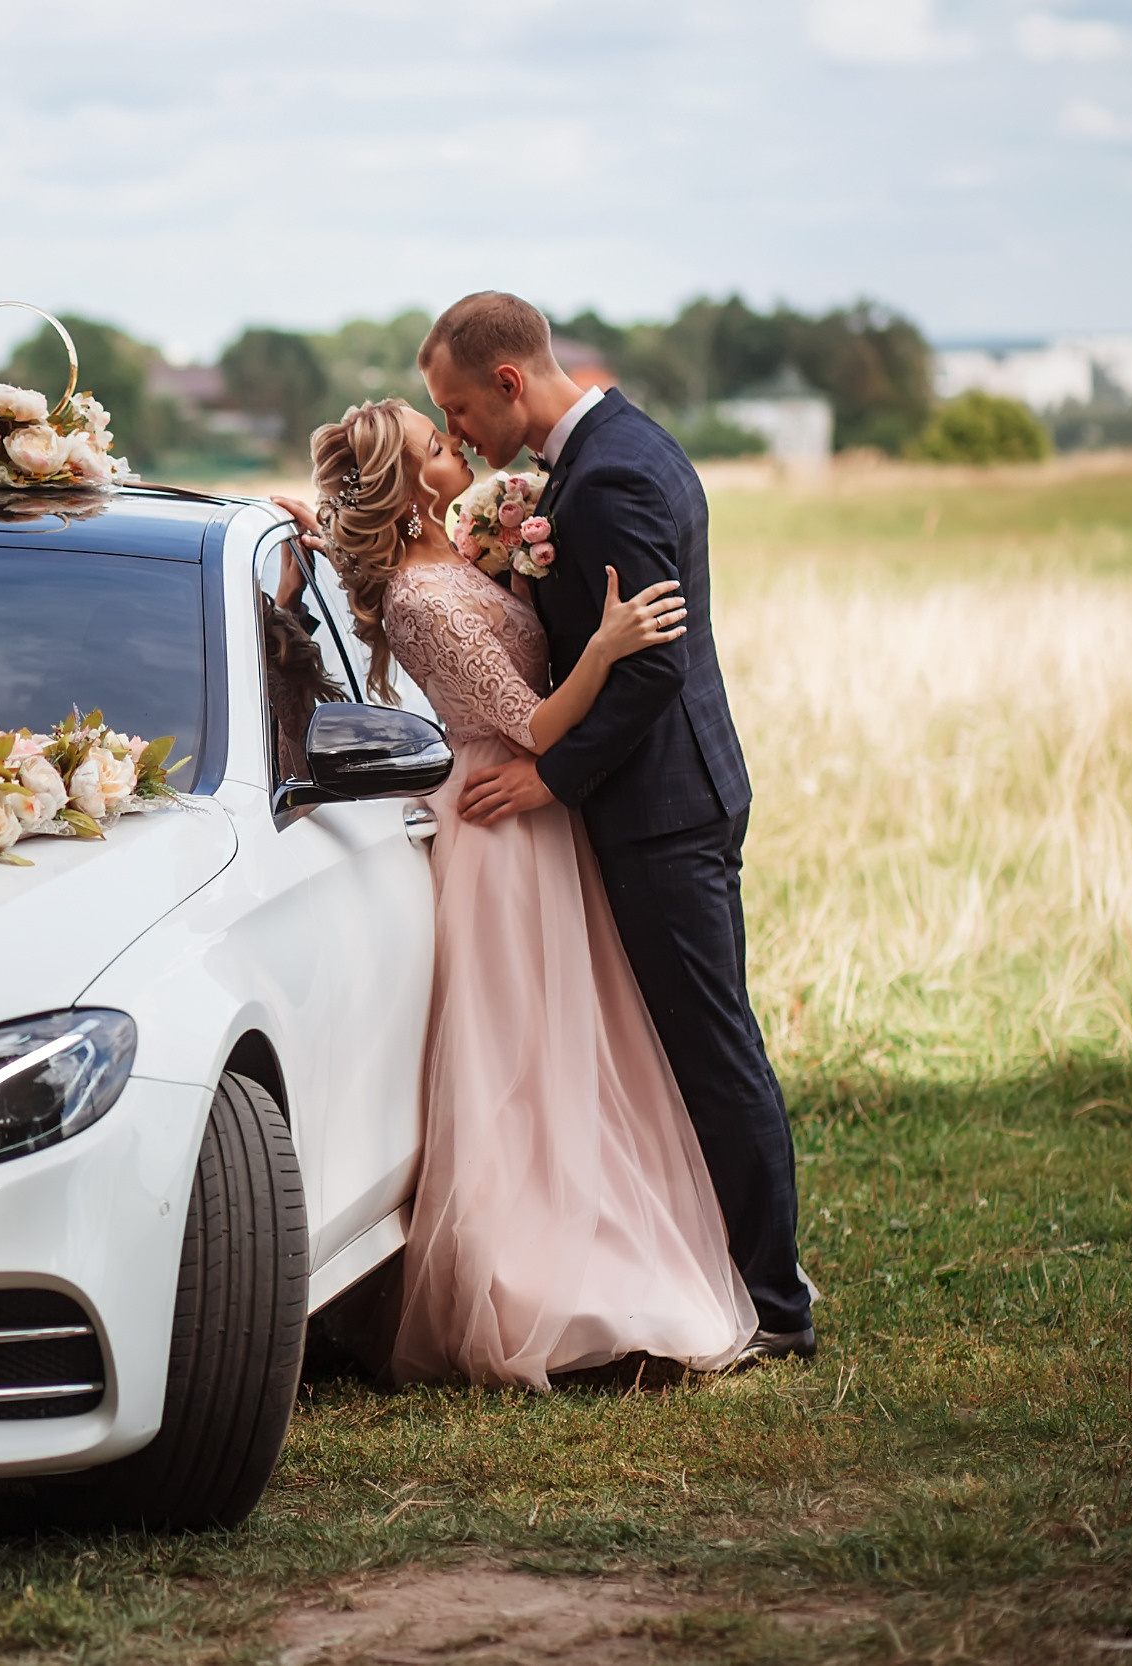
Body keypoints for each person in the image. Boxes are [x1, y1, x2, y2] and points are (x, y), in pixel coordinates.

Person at [276, 397, 756, 1387]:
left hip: (539, 818)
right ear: (412, 487)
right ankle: (526, 1275)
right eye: (433, 442)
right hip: (498, 822)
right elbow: (531, 725)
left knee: (579, 1039)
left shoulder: (454, 554)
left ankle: (606, 1234)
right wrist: (607, 645)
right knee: (520, 1048)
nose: (453, 444)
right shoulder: (417, 598)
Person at [414, 291, 815, 1367]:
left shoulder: (610, 477)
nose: (457, 432)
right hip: (668, 795)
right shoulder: (617, 446)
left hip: (659, 807)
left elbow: (651, 668)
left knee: (711, 1050)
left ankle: (776, 1304)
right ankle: (727, 1267)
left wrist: (550, 779)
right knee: (692, 1045)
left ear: (509, 382)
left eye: (459, 408)